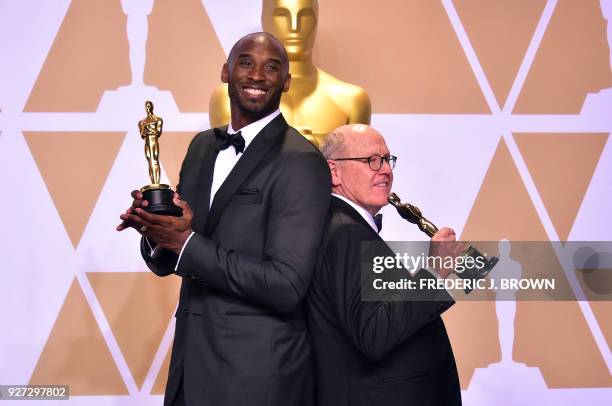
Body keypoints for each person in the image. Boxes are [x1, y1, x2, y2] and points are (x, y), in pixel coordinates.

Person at [117, 32, 330, 406]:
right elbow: (177, 256)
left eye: (272, 67)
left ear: (286, 82)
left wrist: (186, 243)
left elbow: (286, 285)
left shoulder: (301, 161)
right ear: (225, 72)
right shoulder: (201, 147)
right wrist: (156, 231)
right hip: (190, 367)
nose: (258, 75)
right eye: (246, 62)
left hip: (258, 379)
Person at [306, 124, 462, 406]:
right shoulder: (346, 233)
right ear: (334, 172)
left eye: (388, 160)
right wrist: (434, 272)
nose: (386, 170)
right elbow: (373, 335)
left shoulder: (342, 228)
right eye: (371, 160)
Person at [209, 0, 371, 148]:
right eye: (282, 15)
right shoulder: (228, 96)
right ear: (265, 19)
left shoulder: (351, 100)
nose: (294, 27)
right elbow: (227, 167)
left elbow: (357, 172)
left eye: (305, 16)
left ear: (316, 20)